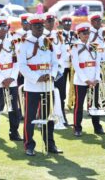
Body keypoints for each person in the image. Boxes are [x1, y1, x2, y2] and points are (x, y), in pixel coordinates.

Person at [19, 14, 62, 156]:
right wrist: (37, 77)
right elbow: (22, 66)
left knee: (48, 117)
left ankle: (50, 144)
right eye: (36, 26)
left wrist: (52, 75)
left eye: (41, 26)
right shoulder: (24, 43)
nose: (39, 28)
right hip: (33, 86)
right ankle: (29, 145)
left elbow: (55, 63)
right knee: (30, 117)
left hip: (48, 85)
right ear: (30, 27)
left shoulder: (48, 42)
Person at [0, 16, 22, 143]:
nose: (2, 30)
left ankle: (14, 132)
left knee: (13, 108)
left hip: (11, 79)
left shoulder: (14, 43)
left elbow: (17, 62)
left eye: (5, 27)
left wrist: (11, 77)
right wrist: (2, 80)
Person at [71, 23, 104, 137]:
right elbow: (76, 65)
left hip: (94, 79)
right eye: (83, 33)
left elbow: (97, 63)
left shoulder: (95, 45)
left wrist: (96, 78)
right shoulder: (75, 47)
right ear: (78, 34)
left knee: (95, 104)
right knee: (79, 105)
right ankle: (77, 127)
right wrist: (86, 80)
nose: (86, 35)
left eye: (88, 33)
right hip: (81, 80)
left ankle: (97, 126)